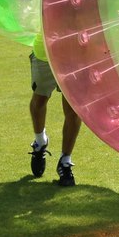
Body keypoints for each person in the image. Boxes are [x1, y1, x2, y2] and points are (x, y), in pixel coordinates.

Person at [28, 33, 82, 186]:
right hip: (45, 53)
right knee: (39, 102)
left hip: (75, 56)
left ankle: (65, 161)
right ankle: (40, 142)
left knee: (73, 110)